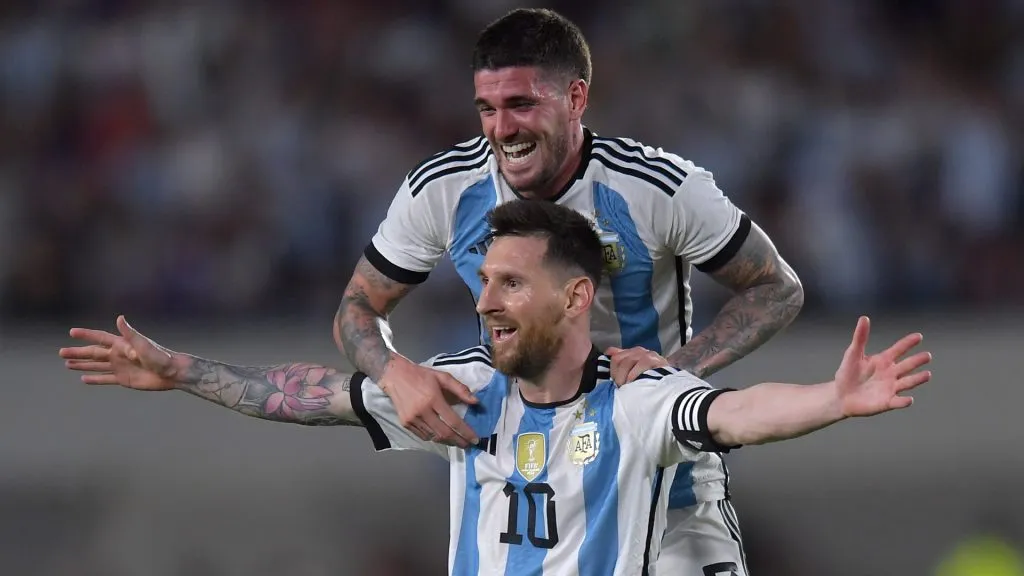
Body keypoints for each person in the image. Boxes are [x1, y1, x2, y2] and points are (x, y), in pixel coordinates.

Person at [63, 201, 930, 575]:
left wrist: (833, 399)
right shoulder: (463, 393)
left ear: (577, 297)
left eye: (510, 283)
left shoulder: (632, 399)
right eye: (482, 282)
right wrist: (181, 374)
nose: (484, 301)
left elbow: (735, 414)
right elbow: (313, 394)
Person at [332, 7, 805, 573]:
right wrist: (391, 370)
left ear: (576, 98)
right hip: (536, 493)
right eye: (487, 108)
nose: (501, 129)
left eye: (522, 104)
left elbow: (776, 287)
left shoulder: (656, 188)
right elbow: (357, 308)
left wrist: (672, 371)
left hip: (669, 488)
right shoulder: (446, 190)